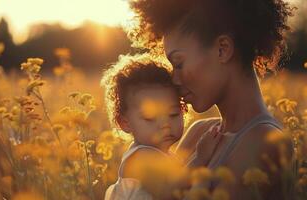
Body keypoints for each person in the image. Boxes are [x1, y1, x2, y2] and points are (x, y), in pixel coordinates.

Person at [129, 0, 295, 199]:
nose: (174, 79)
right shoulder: (198, 133)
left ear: (222, 49)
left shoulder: (267, 141)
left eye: (179, 64)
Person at [101, 54, 222, 199]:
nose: (165, 125)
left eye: (173, 114)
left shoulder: (166, 155)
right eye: (150, 118)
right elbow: (169, 191)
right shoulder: (139, 157)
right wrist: (200, 159)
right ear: (125, 123)